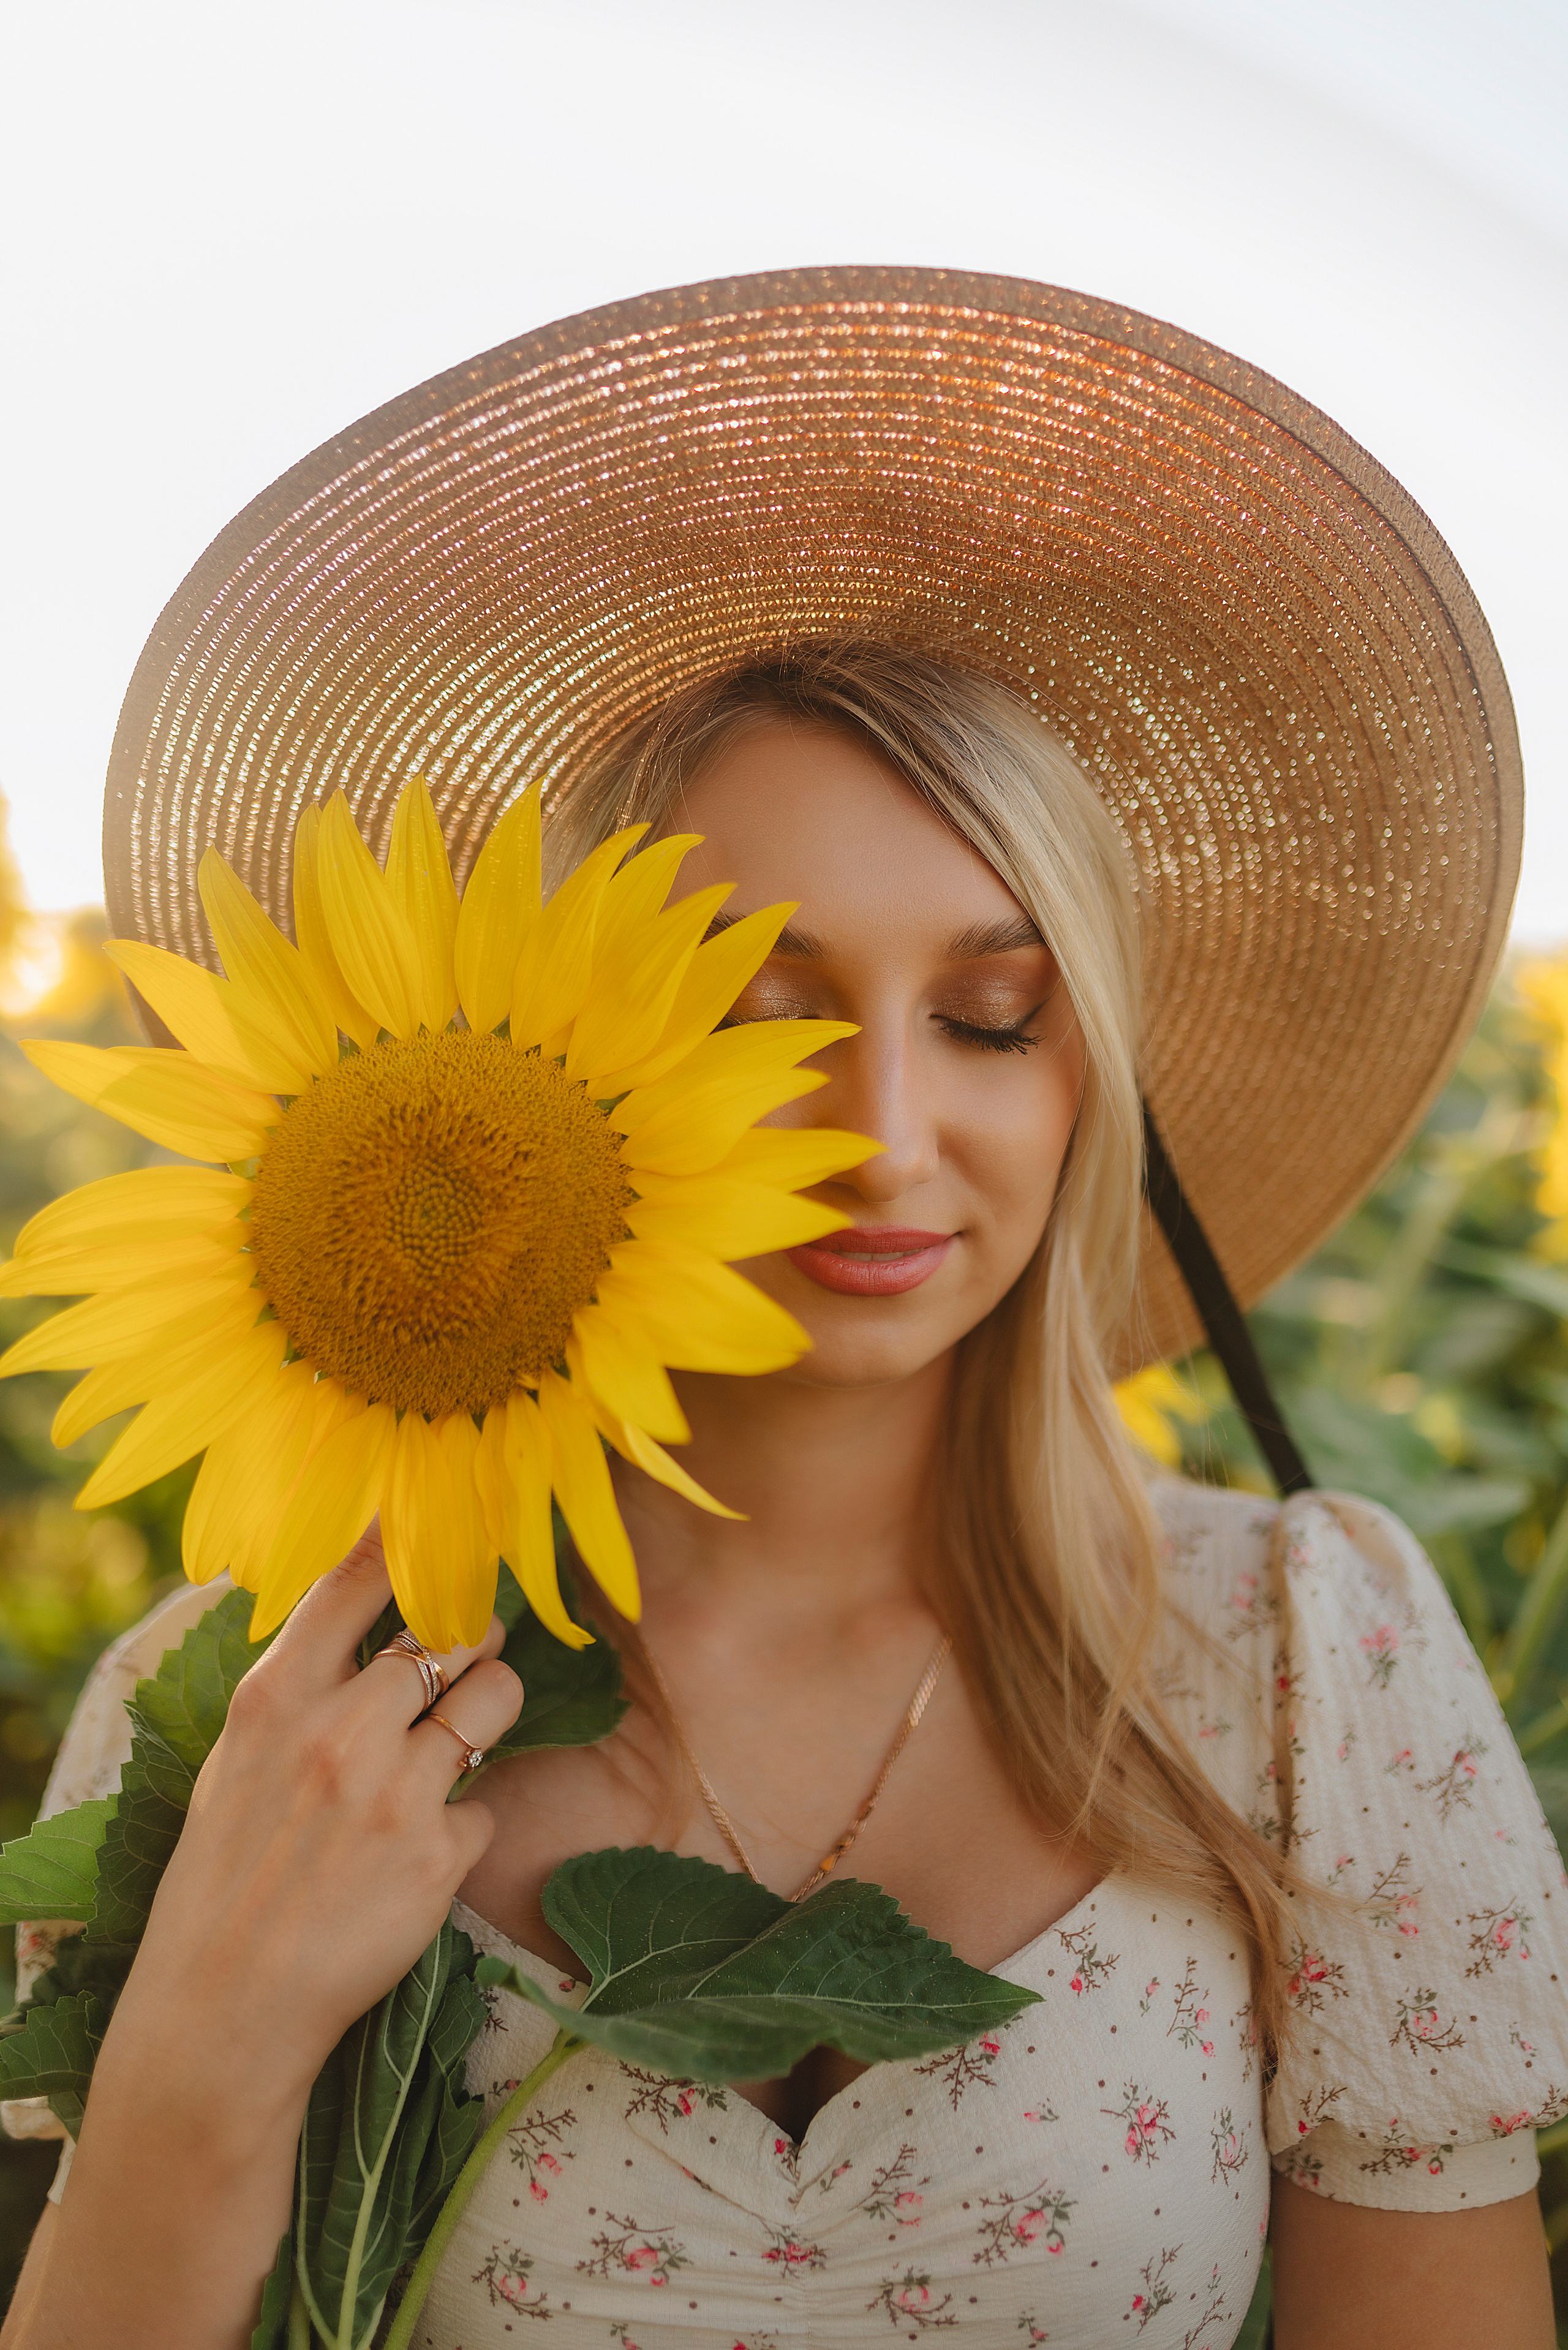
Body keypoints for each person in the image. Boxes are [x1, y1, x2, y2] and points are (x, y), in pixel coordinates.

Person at [2, 274, 1564, 2350]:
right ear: (581, 1049)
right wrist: (199, 2050)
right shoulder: (255, 1726)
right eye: (763, 1018)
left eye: (994, 1018)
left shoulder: (1299, 1671)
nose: (890, 1135)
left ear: (1090, 1073)